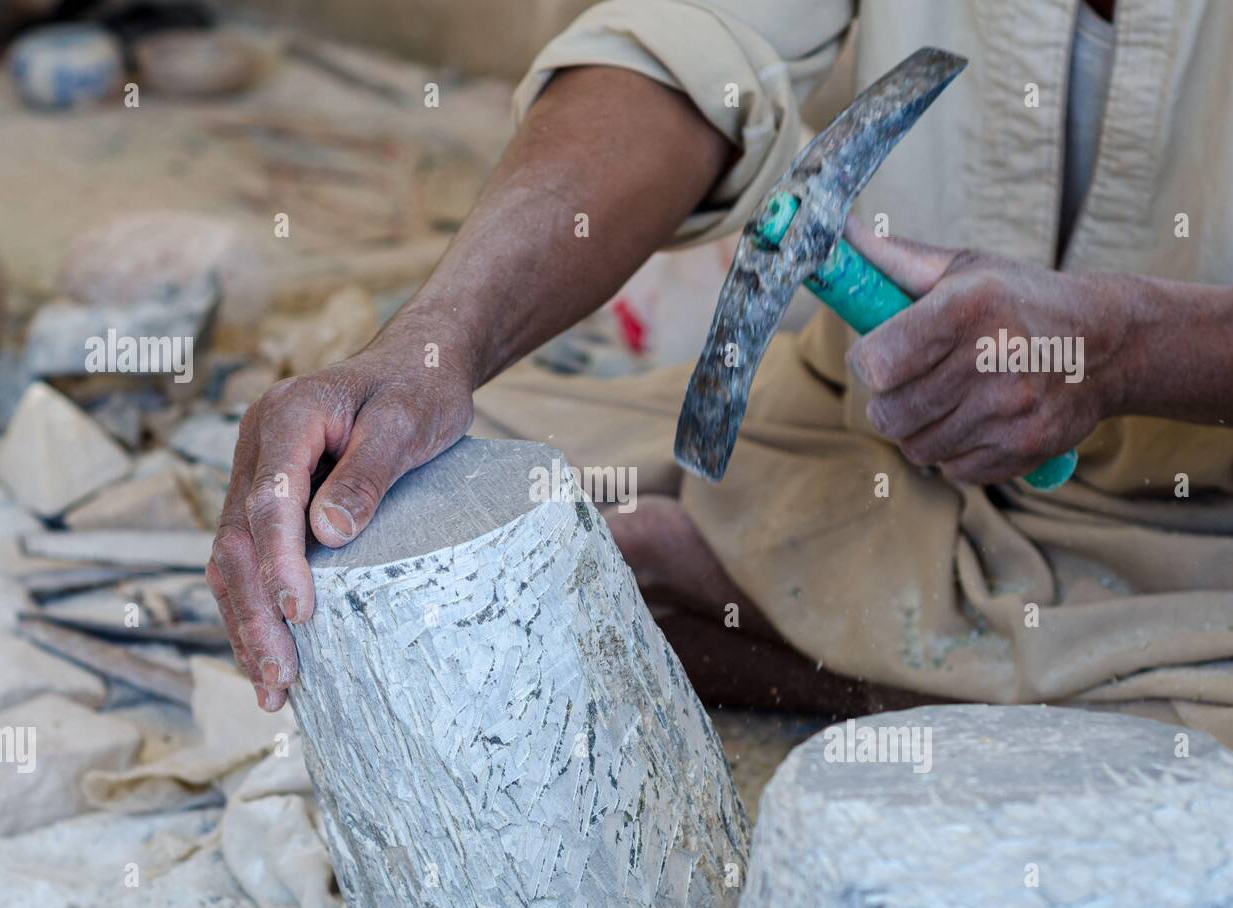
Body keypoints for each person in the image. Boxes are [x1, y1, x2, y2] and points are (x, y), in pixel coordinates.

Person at [208, 0, 1233, 747]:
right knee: (417, 497)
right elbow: (681, 46)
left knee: (1169, 756)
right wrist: (432, 339)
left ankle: (807, 638)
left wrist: (1129, 349)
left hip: (1201, 520)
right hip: (863, 441)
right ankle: (811, 612)